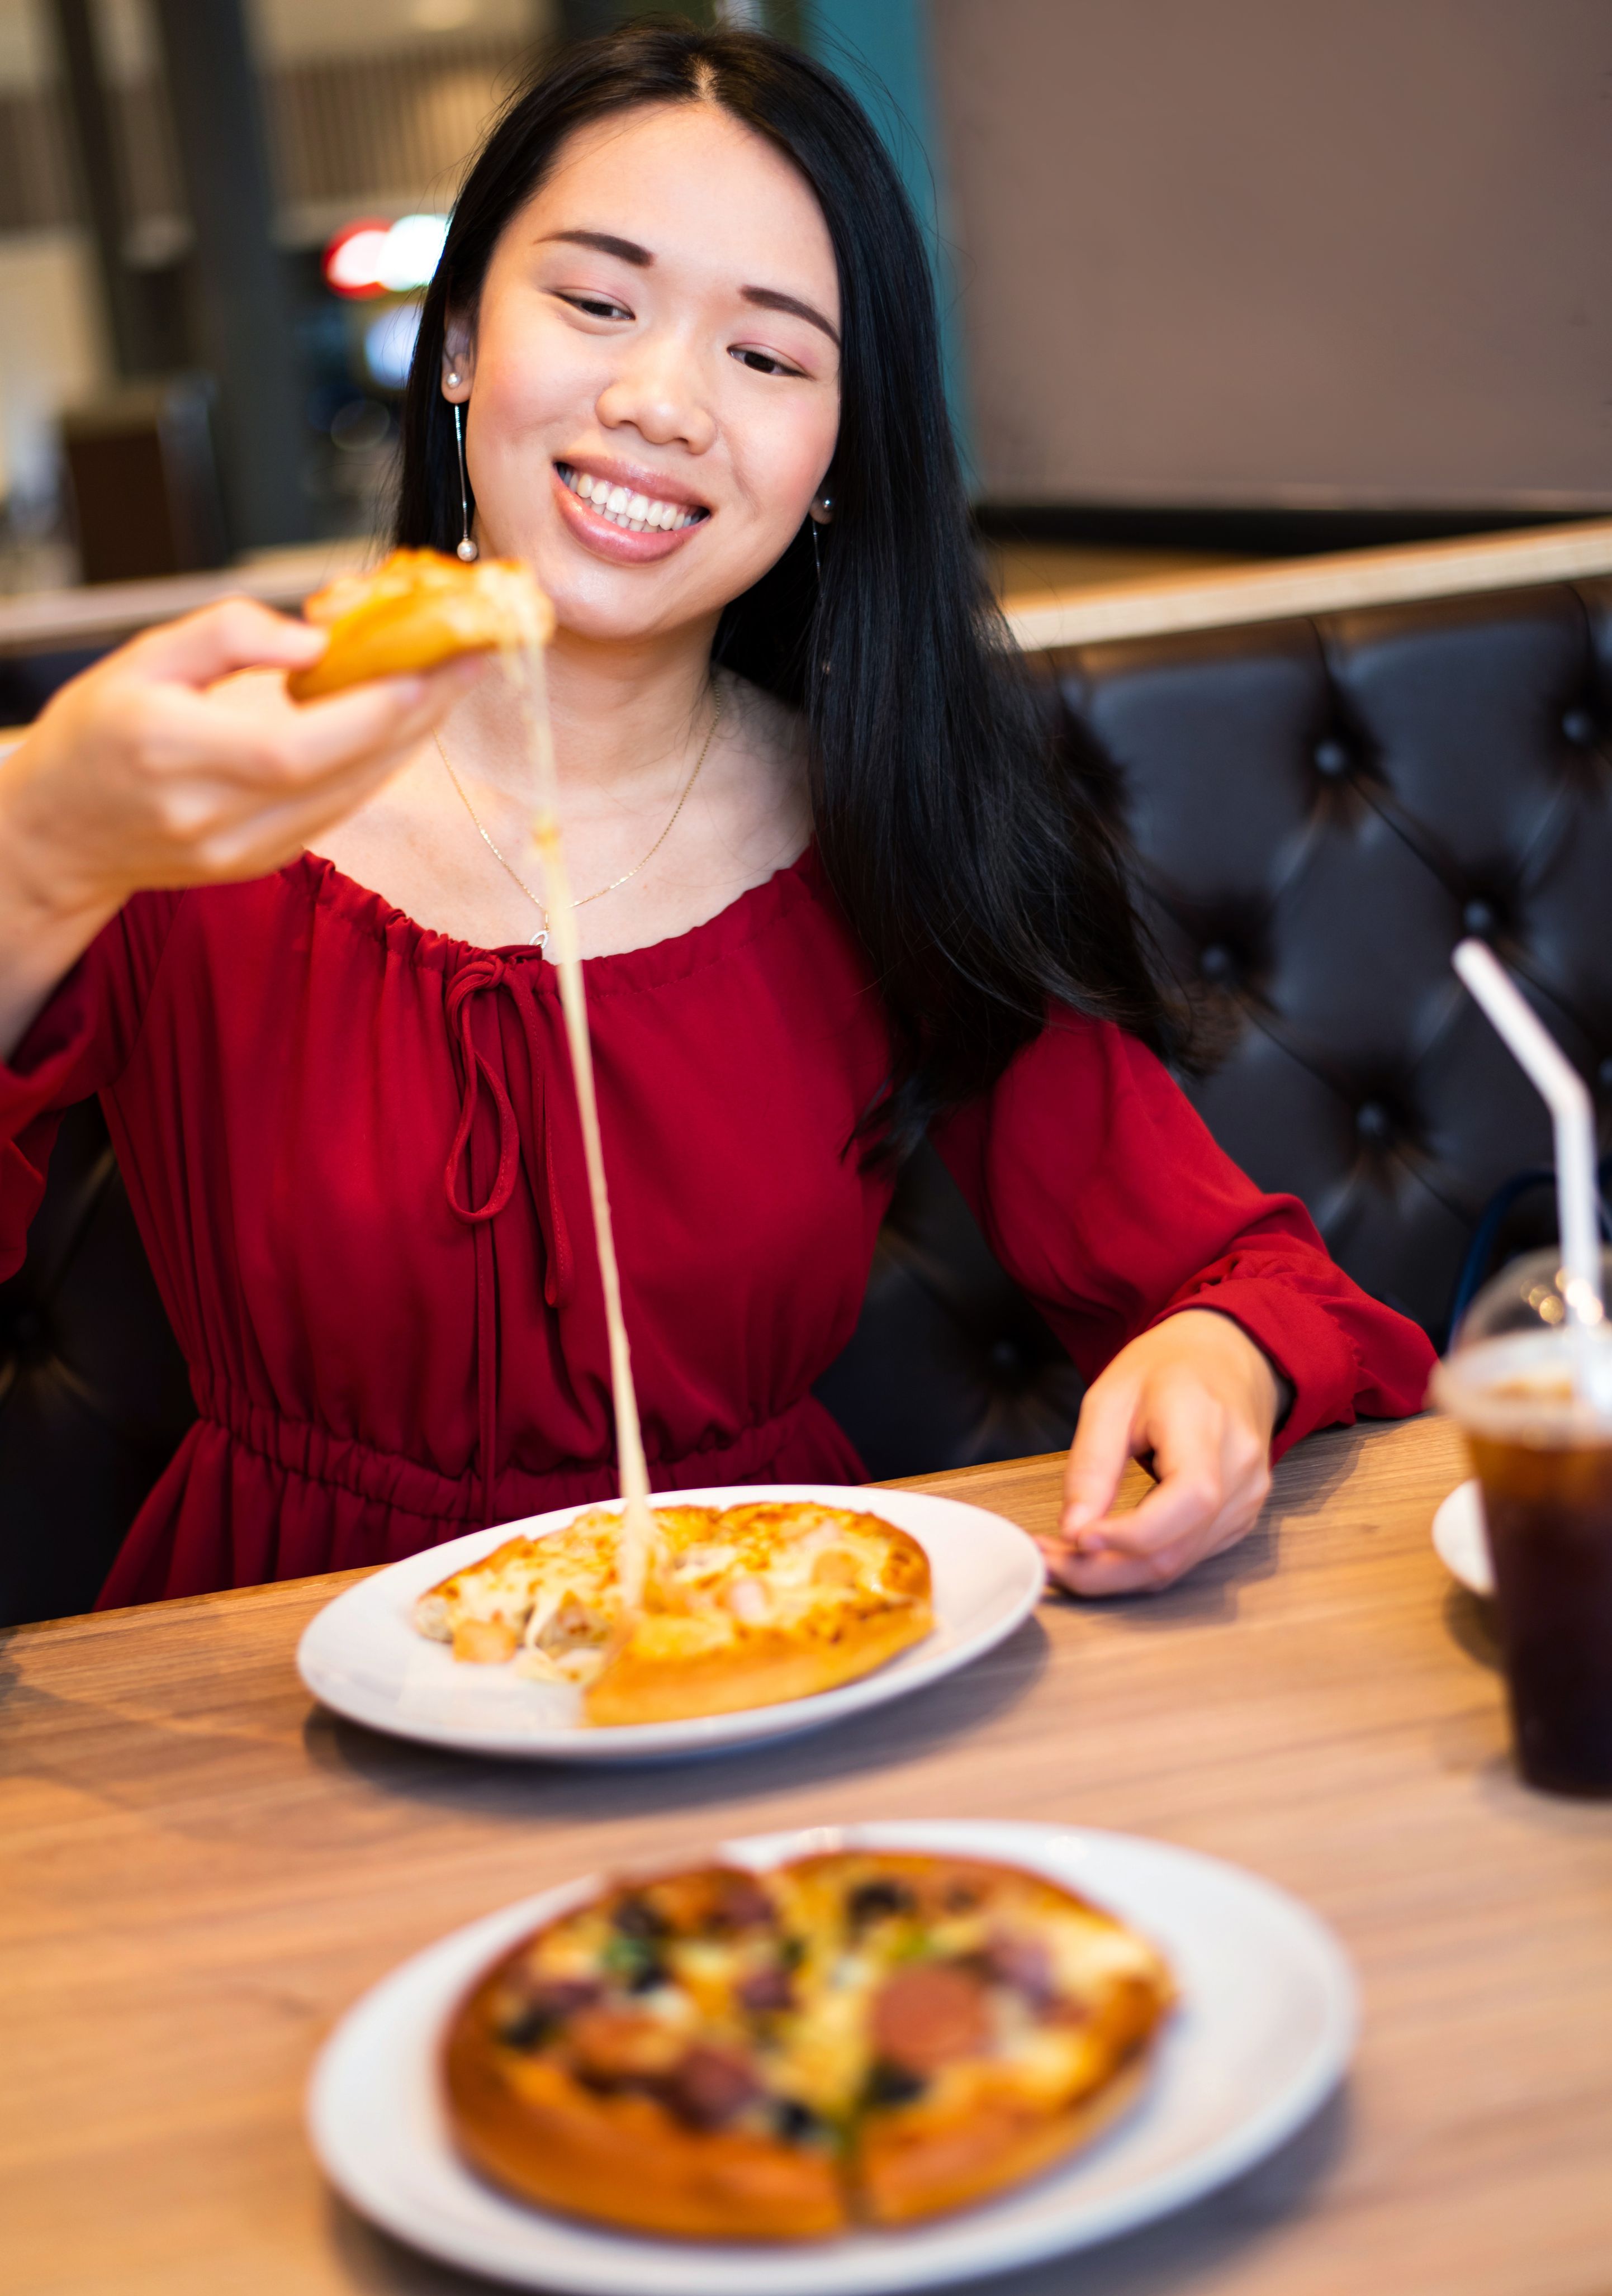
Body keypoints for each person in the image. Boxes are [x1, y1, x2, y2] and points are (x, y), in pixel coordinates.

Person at [0, 23, 1431, 1614]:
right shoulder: (198, 782)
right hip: (268, 1670)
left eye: (766, 357)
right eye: (597, 304)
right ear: (460, 339)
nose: (661, 401)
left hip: (757, 1639)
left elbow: (1242, 1275)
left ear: (835, 456)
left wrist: (1221, 1354)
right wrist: (39, 839)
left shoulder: (882, 826)